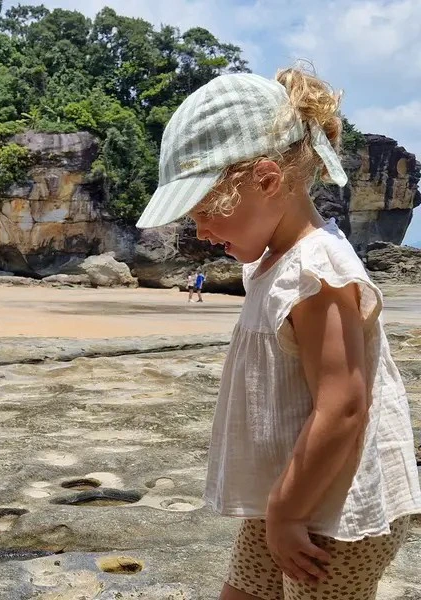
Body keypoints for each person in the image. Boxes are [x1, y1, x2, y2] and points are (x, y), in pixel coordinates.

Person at [136, 67, 421, 600]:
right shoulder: (271, 263)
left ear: (267, 181)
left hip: (336, 508)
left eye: (205, 211)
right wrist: (282, 508)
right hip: (288, 491)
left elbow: (344, 407)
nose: (201, 231)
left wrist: (288, 514)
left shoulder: (317, 273)